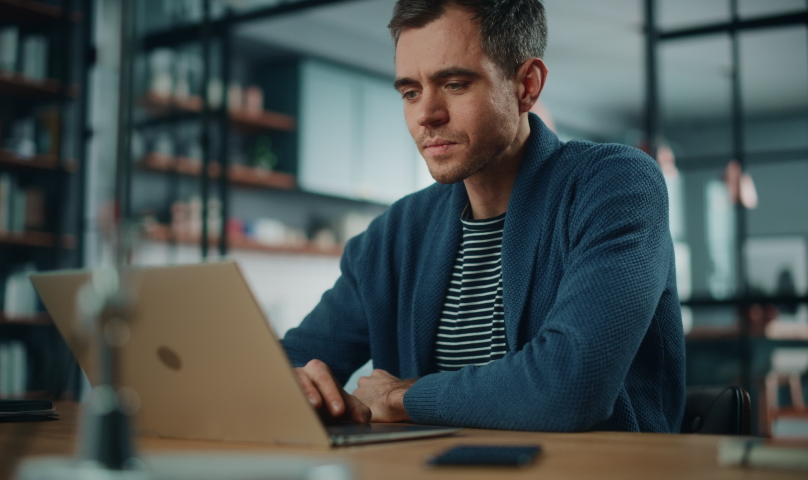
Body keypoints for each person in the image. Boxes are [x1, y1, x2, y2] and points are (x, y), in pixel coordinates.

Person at [281, 0, 685, 433]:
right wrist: (295, 384)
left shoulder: (615, 184)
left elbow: (570, 384)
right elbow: (289, 362)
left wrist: (401, 397)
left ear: (527, 85)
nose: (426, 115)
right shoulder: (396, 232)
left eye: (454, 84)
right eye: (410, 92)